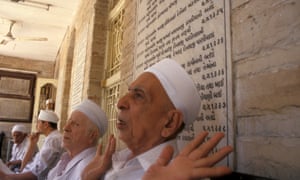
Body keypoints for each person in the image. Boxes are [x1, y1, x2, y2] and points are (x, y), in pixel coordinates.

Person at [81, 58, 233, 179]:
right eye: (129, 93)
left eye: (138, 96)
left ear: (170, 123)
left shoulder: (180, 177)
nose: (120, 103)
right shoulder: (111, 161)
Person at [46, 99, 112, 179]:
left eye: (75, 124)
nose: (65, 128)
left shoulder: (88, 166)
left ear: (91, 136)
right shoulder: (68, 157)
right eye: (68, 122)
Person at [0, 110, 64, 180]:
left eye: (38, 122)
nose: (36, 125)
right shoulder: (51, 138)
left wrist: (8, 177)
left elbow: (37, 173)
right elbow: (25, 168)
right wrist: (32, 144)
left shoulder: (53, 139)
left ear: (46, 124)